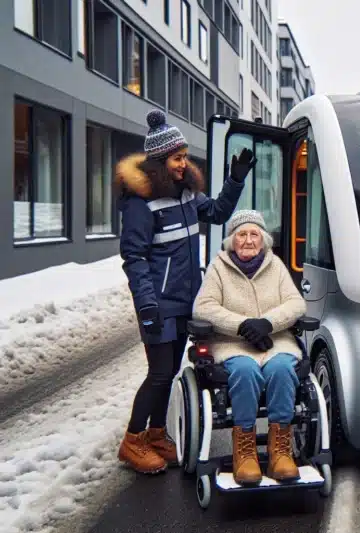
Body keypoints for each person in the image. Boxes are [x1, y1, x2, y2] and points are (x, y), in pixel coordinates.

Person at [115, 109, 256, 474]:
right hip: (158, 304)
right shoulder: (140, 201)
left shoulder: (187, 194)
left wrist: (235, 180)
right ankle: (133, 441)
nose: (183, 164)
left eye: (185, 157)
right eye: (177, 158)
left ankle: (157, 434)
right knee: (159, 373)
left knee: (173, 369)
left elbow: (220, 212)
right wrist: (146, 303)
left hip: (185, 302)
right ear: (161, 161)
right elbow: (134, 257)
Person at [192, 210, 307, 485]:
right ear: (232, 240)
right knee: (245, 371)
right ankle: (244, 452)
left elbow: (296, 303)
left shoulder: (275, 265)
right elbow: (203, 307)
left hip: (275, 340)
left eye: (253, 234)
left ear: (263, 239)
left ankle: (280, 450)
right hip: (233, 344)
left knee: (281, 369)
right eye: (241, 234)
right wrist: (243, 325)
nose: (248, 240)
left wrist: (267, 323)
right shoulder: (218, 267)